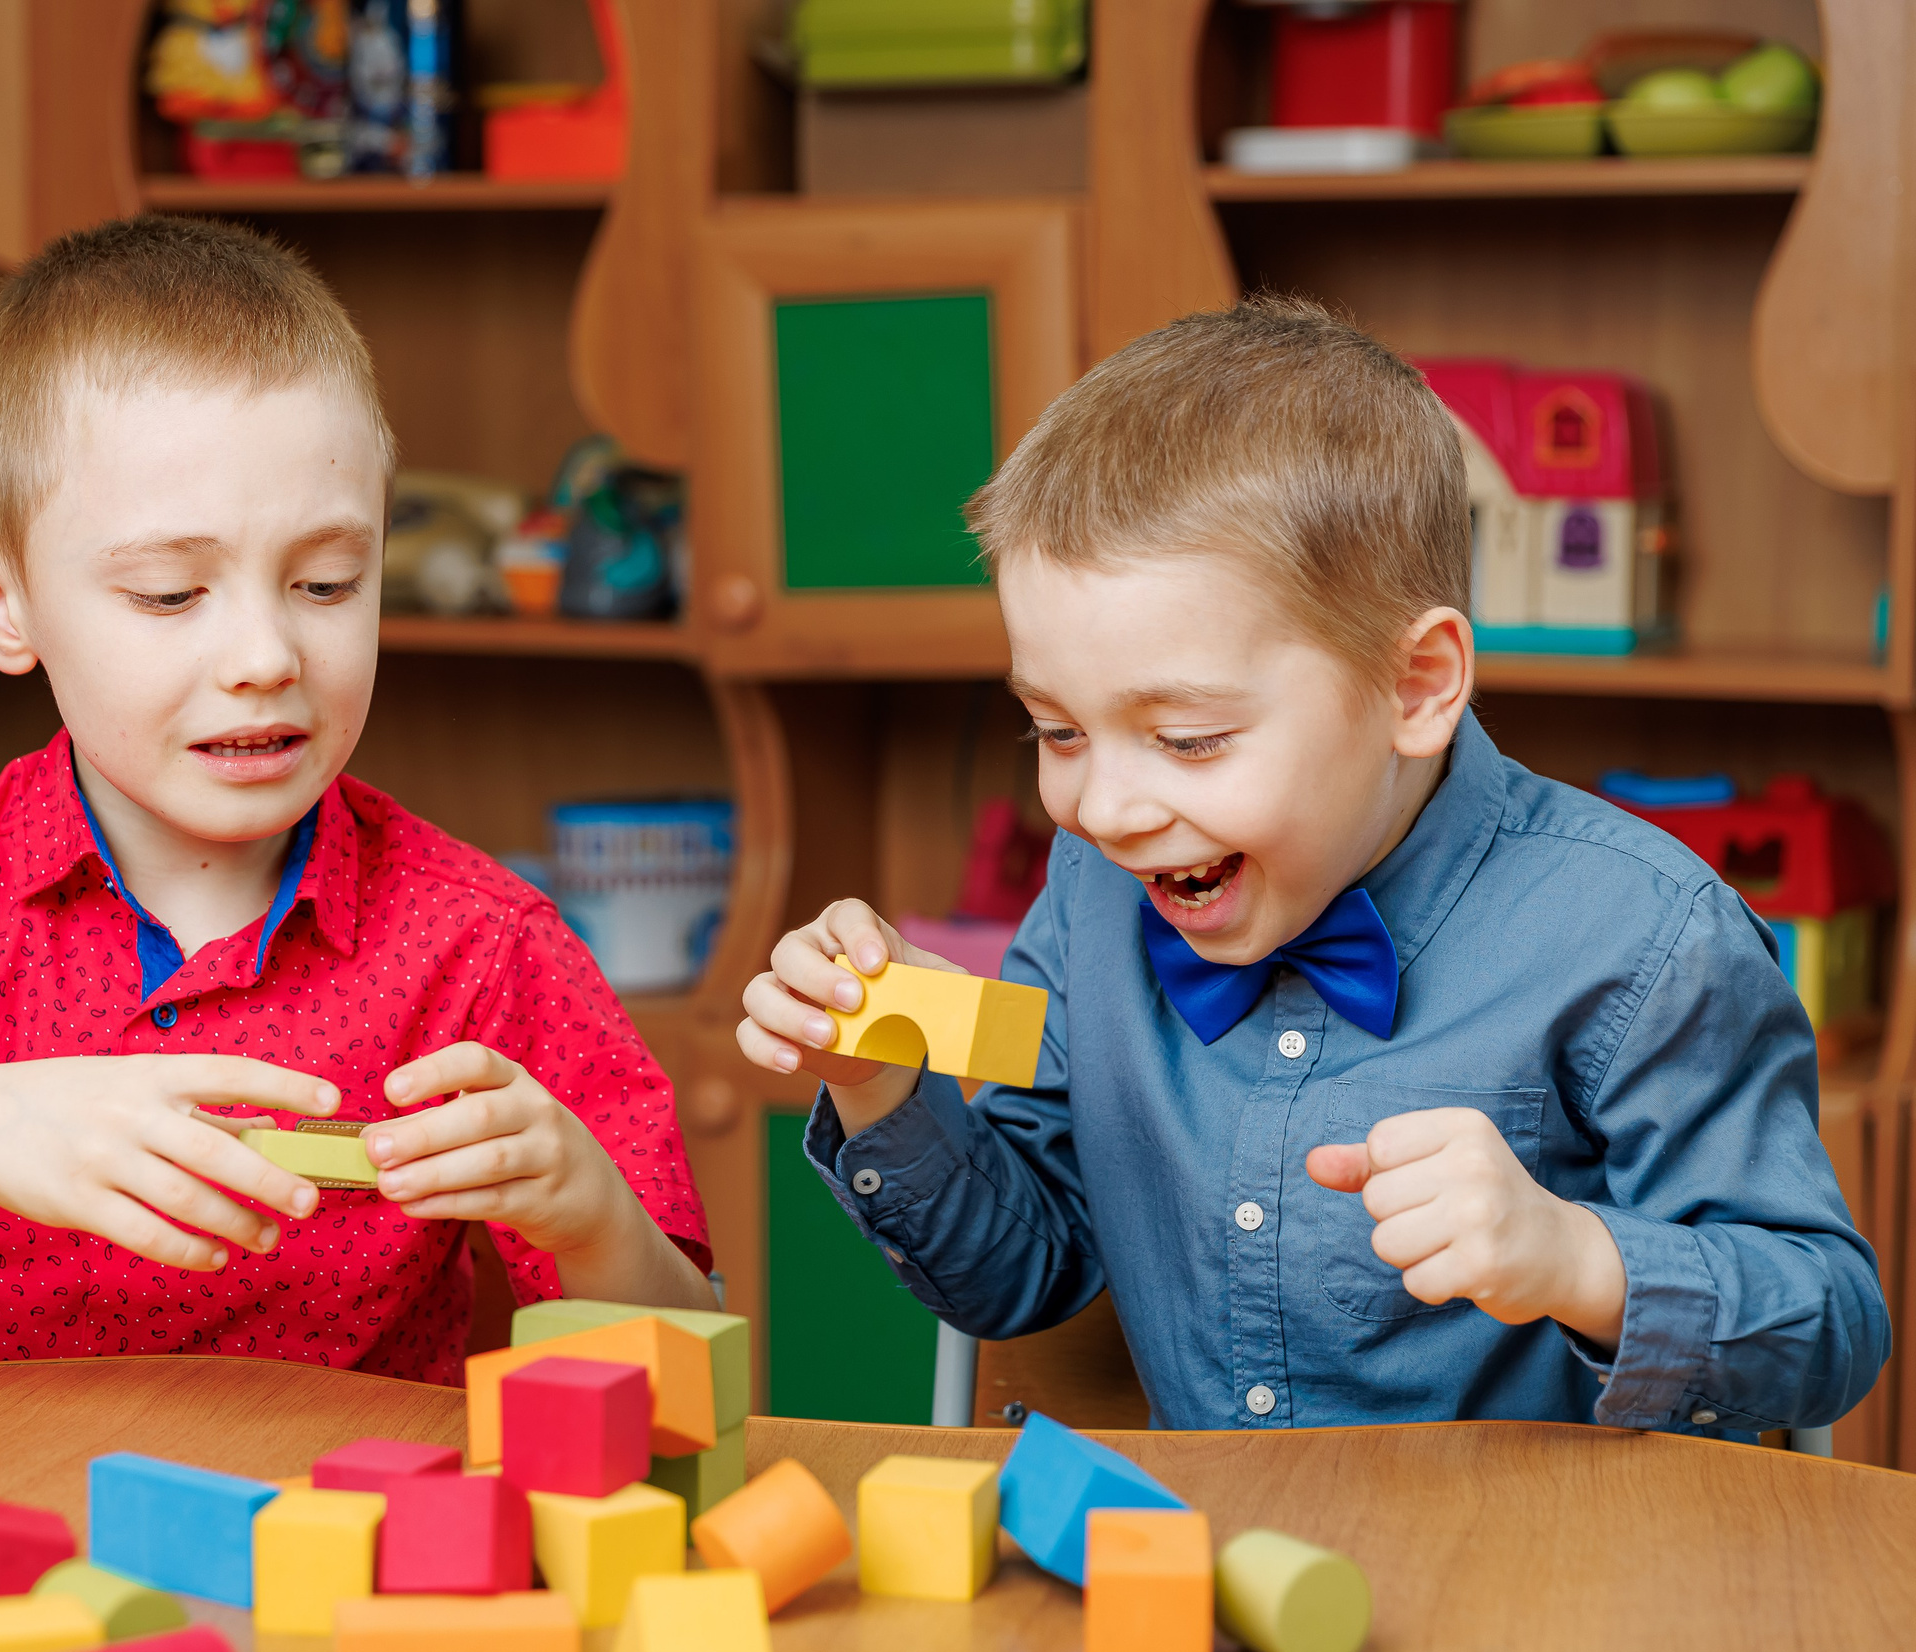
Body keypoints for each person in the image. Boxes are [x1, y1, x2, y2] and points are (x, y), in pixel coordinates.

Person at [0, 216, 715, 1378]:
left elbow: (693, 1379)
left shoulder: (480, 941)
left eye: (325, 580)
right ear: (5, 605)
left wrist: (592, 1215)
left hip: (335, 1564)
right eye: (166, 593)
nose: (265, 652)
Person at [737, 298, 1885, 1436]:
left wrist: (1575, 1257)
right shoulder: (1089, 896)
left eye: (1188, 739)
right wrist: (880, 1080)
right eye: (1057, 730)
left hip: (1552, 1585)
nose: (1104, 808)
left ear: (1415, 687)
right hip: (1210, 1571)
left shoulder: (1642, 937)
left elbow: (1828, 1321)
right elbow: (1018, 1276)